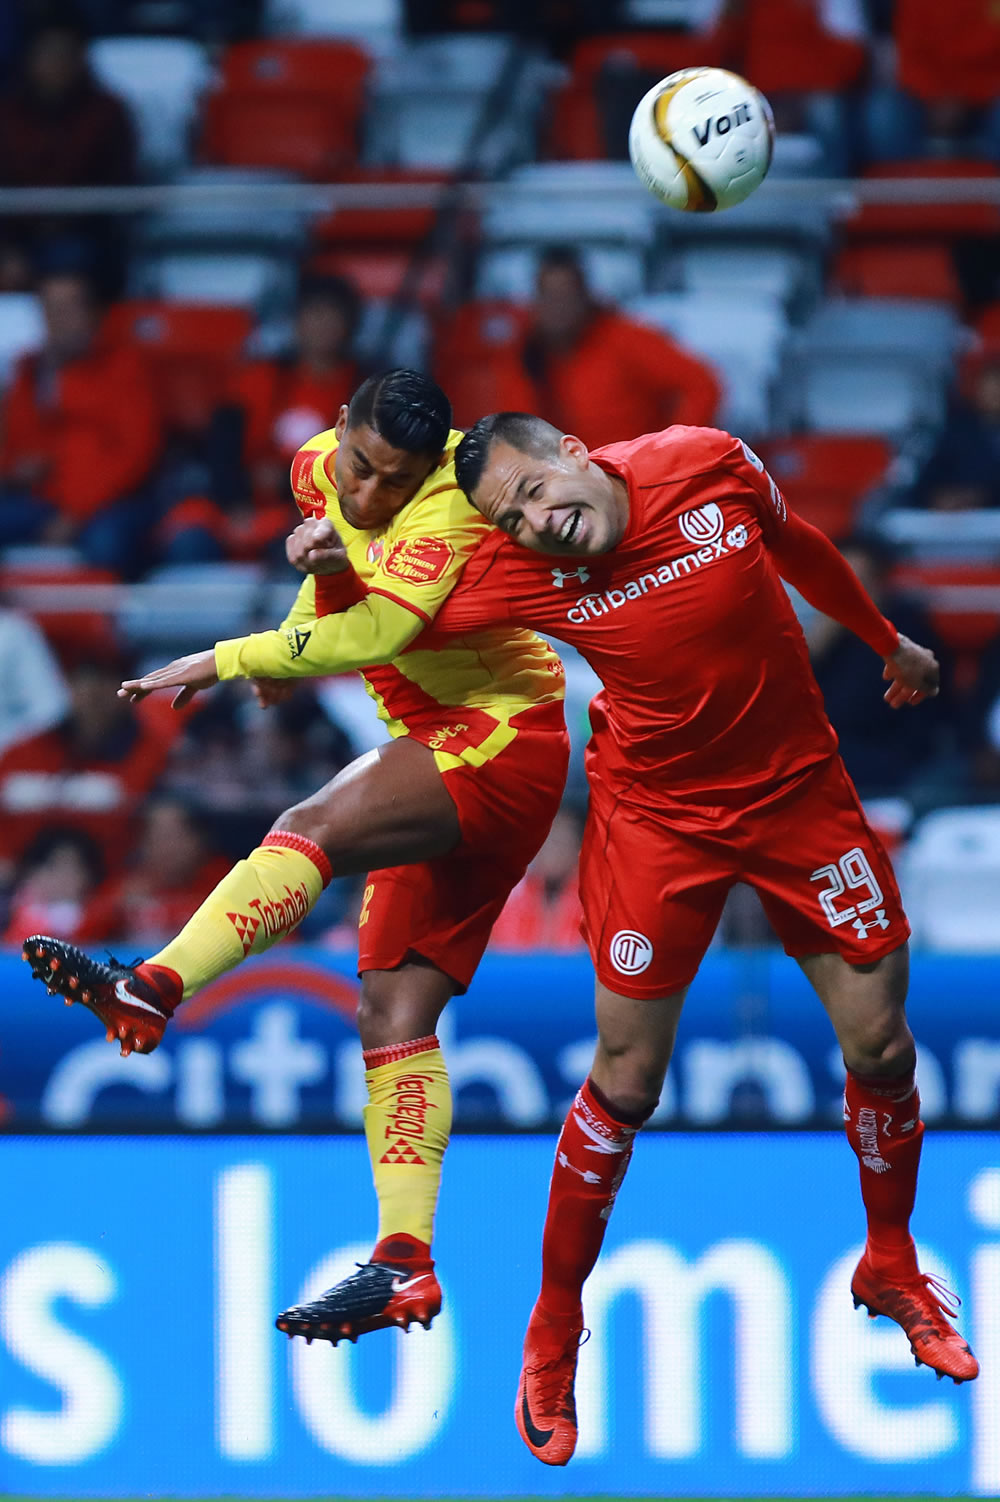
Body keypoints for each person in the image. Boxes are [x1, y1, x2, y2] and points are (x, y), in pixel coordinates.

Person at [412, 413, 971, 1459]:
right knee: (626, 1078)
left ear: (574, 449)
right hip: (657, 822)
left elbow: (793, 538)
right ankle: (551, 1327)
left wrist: (881, 637)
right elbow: (379, 617)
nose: (536, 520)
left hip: (799, 792)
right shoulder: (503, 572)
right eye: (510, 516)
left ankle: (889, 1259)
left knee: (881, 1044)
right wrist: (285, 617)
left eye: (535, 487)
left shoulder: (703, 462)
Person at [22, 369, 569, 1344]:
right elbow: (340, 573)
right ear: (341, 432)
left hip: (500, 731)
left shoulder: (452, 503)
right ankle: (405, 1262)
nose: (366, 493)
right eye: (359, 467)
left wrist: (238, 655)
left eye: (390, 482)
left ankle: (150, 986)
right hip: (438, 743)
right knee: (392, 1012)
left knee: (311, 827)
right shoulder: (316, 467)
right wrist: (315, 574)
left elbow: (384, 628)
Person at [440, 246, 721, 444]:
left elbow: (702, 385)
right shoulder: (522, 352)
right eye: (548, 295)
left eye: (566, 294)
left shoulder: (625, 338)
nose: (557, 307)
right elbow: (511, 429)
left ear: (586, 295)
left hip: (633, 480)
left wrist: (670, 451)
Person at [0, 269, 161, 573]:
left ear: (91, 314)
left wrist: (75, 513)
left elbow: (135, 456)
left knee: (108, 542)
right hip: (46, 498)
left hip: (110, 500)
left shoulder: (124, 368)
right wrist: (17, 467)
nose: (56, 320)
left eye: (66, 309)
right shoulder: (30, 370)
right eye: (48, 309)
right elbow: (17, 450)